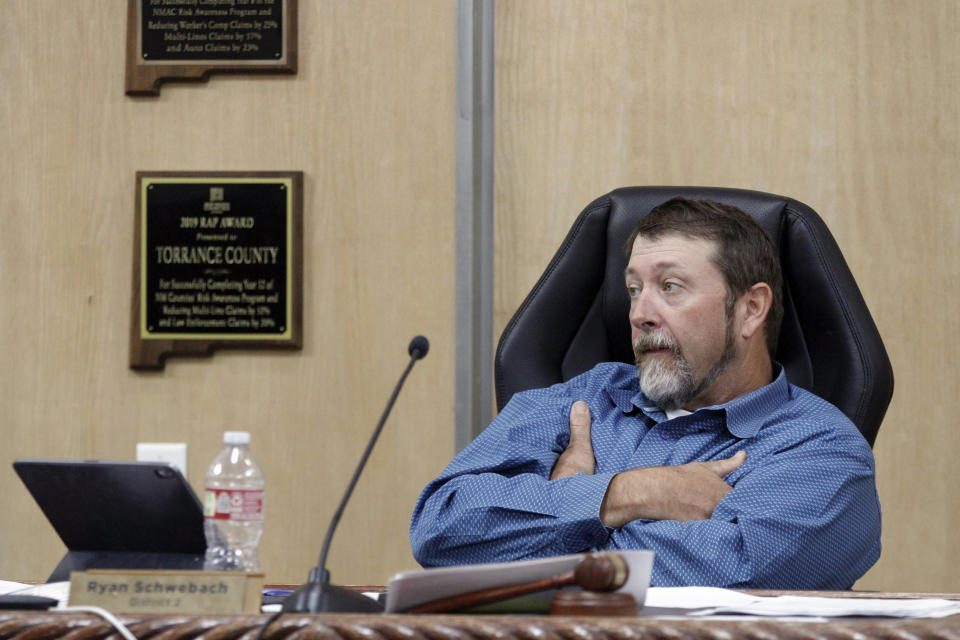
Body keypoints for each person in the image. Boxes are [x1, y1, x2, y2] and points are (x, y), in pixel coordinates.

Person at [410, 197, 881, 589]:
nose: (640, 314)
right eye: (634, 289)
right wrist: (627, 494)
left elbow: (734, 576)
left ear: (750, 309)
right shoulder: (586, 399)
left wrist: (551, 517)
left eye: (670, 287)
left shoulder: (823, 449)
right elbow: (440, 529)